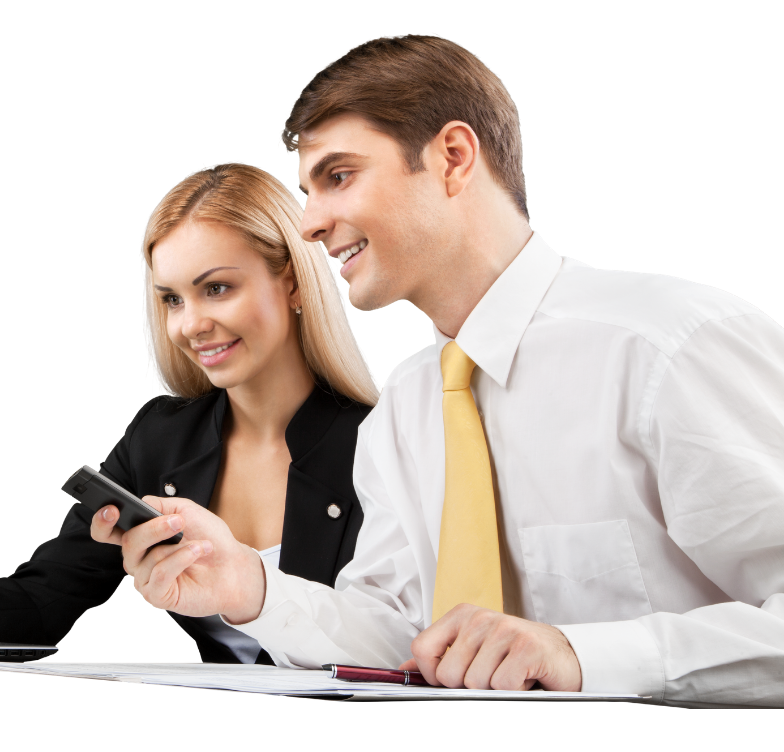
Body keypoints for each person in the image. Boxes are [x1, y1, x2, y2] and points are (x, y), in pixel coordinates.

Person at [100, 35, 784, 707]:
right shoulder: (407, 405)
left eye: (338, 177)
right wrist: (247, 585)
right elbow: (401, 639)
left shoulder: (668, 346)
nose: (309, 224)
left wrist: (581, 656)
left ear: (453, 158)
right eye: (308, 189)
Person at [0, 162, 381, 664]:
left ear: (291, 281)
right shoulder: (162, 437)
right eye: (172, 299)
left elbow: (393, 634)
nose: (190, 325)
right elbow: (45, 597)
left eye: (216, 288)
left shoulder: (382, 439)